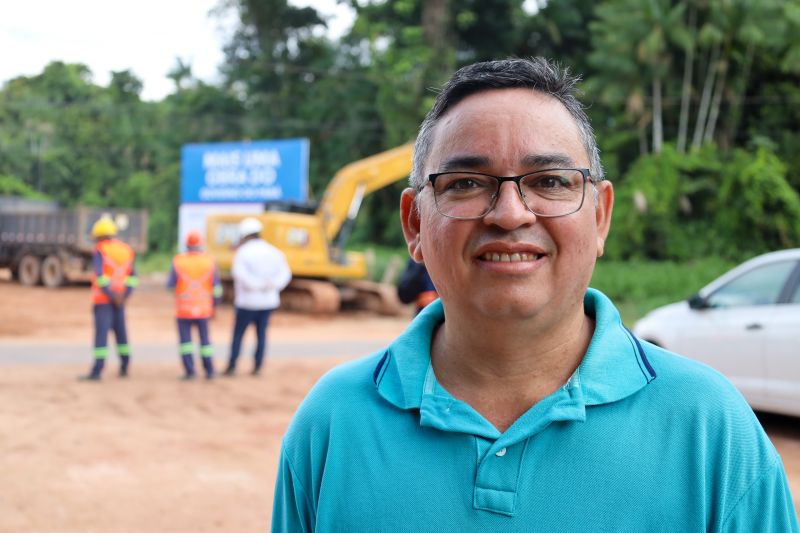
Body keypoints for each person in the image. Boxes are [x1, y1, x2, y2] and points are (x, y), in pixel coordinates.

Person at [272, 58, 799, 531]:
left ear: (600, 217)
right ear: (414, 224)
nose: (509, 214)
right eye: (465, 182)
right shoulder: (333, 422)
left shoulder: (709, 429)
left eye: (550, 181)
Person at [223, 217, 291, 377]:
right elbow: (285, 274)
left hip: (247, 302)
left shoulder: (243, 252)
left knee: (238, 335)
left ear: (244, 234)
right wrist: (271, 285)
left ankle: (232, 366)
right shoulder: (274, 251)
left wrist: (257, 286)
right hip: (268, 301)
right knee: (261, 335)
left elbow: (240, 275)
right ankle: (258, 367)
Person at [80, 216, 137, 381]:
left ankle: (97, 370)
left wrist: (111, 295)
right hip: (120, 300)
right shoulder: (126, 250)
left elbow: (100, 276)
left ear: (99, 235)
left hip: (104, 301)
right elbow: (133, 277)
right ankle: (125, 366)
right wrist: (124, 296)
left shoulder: (100, 249)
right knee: (121, 334)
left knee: (101, 335)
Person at [167, 230, 223, 380]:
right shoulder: (209, 262)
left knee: (186, 343)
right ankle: (209, 371)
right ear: (201, 244)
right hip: (204, 309)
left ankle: (190, 371)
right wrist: (215, 306)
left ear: (187, 245)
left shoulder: (178, 261)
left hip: (184, 310)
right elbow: (217, 288)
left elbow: (171, 286)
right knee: (205, 342)